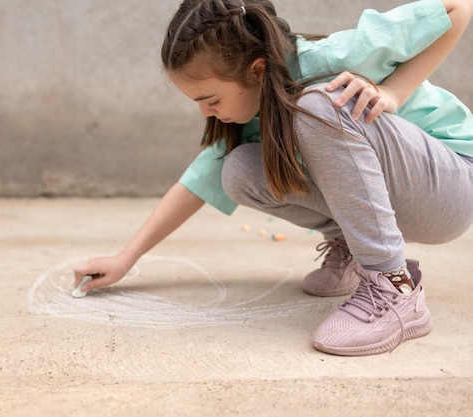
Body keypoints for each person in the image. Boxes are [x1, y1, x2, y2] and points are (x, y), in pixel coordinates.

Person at [73, 0, 473, 356]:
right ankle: (355, 246)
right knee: (240, 169)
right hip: (406, 200)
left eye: (211, 100)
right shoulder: (248, 114)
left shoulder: (331, 58)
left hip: (453, 184)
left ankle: (394, 284)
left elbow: (458, 8)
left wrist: (393, 92)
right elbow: (194, 184)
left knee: (318, 106)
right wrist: (125, 259)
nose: (205, 113)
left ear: (257, 70)